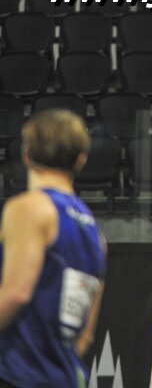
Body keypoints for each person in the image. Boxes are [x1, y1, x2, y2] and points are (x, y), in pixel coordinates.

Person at [0, 110, 106, 388]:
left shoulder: (29, 209)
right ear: (80, 160)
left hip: (18, 375)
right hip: (65, 377)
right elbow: (85, 335)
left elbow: (16, 294)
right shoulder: (95, 235)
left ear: (26, 154)